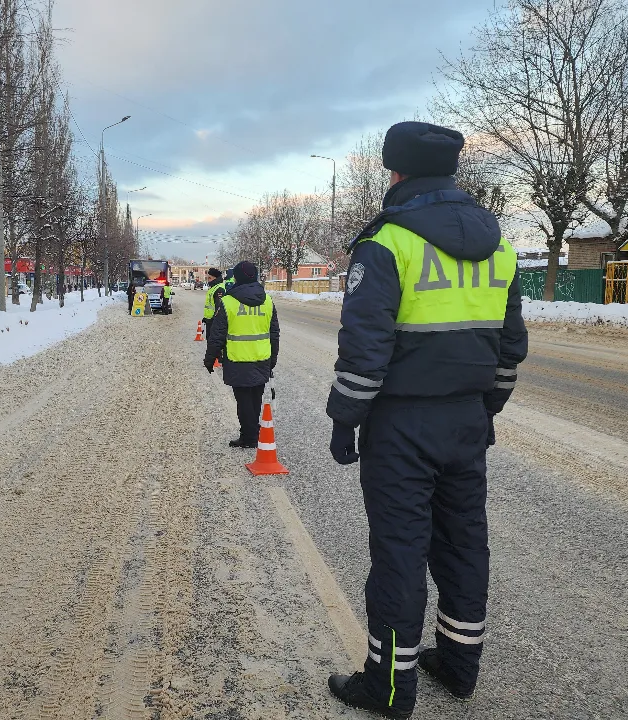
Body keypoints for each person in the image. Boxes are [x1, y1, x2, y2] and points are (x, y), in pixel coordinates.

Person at [325, 121, 528, 718]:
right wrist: (483, 410)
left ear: (397, 172)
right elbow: (509, 349)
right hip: (466, 424)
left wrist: (345, 419)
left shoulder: (387, 242)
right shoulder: (501, 245)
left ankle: (387, 689)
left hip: (401, 428)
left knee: (400, 554)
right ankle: (460, 667)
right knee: (464, 543)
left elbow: (365, 346)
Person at [204, 261, 279, 448]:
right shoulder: (268, 300)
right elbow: (274, 333)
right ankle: (252, 433)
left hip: (238, 359)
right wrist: (273, 358)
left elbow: (217, 335)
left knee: (243, 400)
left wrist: (209, 358)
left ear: (236, 278)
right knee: (255, 397)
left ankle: (249, 437)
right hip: (262, 358)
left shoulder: (228, 302)